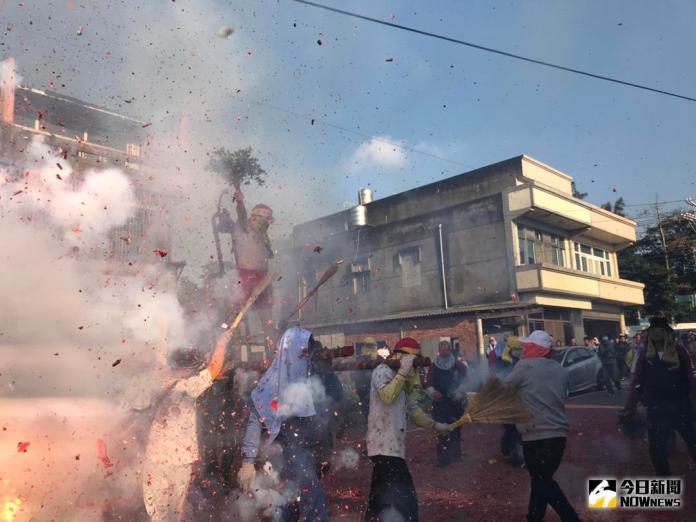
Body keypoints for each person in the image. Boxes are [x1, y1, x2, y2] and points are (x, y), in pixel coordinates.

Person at [142, 324, 230, 522]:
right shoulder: (187, 387)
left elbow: (158, 356)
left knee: (158, 515)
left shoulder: (153, 382)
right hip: (181, 460)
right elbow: (214, 369)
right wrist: (222, 342)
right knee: (175, 513)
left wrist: (161, 330)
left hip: (156, 458)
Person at [238, 327, 327, 521]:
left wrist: (325, 368)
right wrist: (248, 461)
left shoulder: (310, 375)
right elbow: (256, 420)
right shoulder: (271, 383)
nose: (307, 355)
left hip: (306, 453)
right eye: (304, 350)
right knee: (305, 500)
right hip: (283, 455)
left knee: (291, 504)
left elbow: (334, 396)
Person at [365, 337, 449, 521]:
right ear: (400, 356)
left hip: (392, 448)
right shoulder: (382, 371)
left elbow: (414, 410)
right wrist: (403, 371)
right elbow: (387, 396)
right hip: (383, 447)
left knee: (379, 500)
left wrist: (436, 426)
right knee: (406, 500)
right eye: (411, 360)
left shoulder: (402, 380)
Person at [506, 331, 580, 522]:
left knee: (541, 480)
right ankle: (535, 517)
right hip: (557, 436)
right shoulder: (561, 370)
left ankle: (570, 518)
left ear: (536, 348)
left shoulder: (524, 366)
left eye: (527, 346)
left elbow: (505, 390)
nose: (523, 349)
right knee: (541, 480)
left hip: (535, 435)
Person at [622, 317, 696, 476]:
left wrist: (693, 400)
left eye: (659, 329)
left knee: (693, 441)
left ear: (666, 333)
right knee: (656, 448)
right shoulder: (645, 354)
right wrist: (630, 406)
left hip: (680, 405)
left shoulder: (679, 351)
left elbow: (691, 377)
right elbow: (638, 381)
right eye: (653, 330)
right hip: (657, 407)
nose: (656, 332)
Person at [227, 186, 275, 336]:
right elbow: (242, 215)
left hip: (263, 279)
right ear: (259, 218)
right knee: (237, 314)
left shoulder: (264, 237)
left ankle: (272, 348)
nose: (268, 223)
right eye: (266, 219)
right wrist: (240, 202)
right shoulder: (244, 227)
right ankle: (226, 343)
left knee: (267, 316)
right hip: (245, 277)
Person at [425, 341, 468, 467]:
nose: (444, 352)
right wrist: (433, 392)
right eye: (442, 350)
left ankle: (455, 454)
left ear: (450, 350)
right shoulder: (434, 366)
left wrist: (459, 391)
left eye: (446, 349)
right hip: (440, 403)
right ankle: (443, 459)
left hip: (455, 402)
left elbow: (466, 378)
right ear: (439, 351)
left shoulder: (458, 364)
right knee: (441, 429)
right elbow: (428, 383)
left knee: (455, 427)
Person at [353, 337, 381, 418]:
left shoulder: (379, 358)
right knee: (368, 412)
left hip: (376, 389)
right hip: (364, 389)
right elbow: (355, 375)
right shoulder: (360, 359)